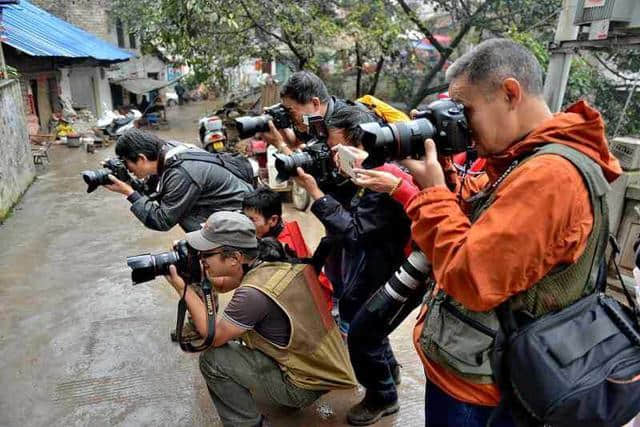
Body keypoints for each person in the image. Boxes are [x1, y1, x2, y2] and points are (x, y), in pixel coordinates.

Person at [400, 38, 622, 426]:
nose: (463, 126)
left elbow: (472, 277)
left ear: (509, 93)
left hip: (483, 387)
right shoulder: (530, 159)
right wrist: (446, 178)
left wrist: (433, 196)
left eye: (466, 111)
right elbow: (488, 230)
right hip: (480, 364)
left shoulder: (550, 176)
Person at [163, 211, 357, 427]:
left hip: (302, 385)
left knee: (214, 360)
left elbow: (212, 337)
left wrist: (183, 289)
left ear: (235, 258)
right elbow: (225, 282)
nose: (201, 258)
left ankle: (248, 424)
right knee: (236, 333)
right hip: (318, 366)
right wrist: (196, 272)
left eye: (205, 254)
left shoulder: (252, 294)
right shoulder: (269, 258)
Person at [293, 105, 415, 425]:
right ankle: (388, 373)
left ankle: (382, 398)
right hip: (379, 258)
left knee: (362, 332)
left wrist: (316, 193)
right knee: (373, 325)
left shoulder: (383, 175)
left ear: (358, 143)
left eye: (336, 148)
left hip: (391, 263)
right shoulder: (368, 165)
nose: (332, 155)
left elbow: (355, 233)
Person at [104, 128, 253, 232]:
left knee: (182, 215)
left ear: (142, 158)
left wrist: (129, 192)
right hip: (231, 207)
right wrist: (127, 181)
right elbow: (157, 191)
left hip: (242, 219)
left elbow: (162, 220)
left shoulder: (180, 173)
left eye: (126, 163)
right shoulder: (170, 149)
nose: (128, 168)